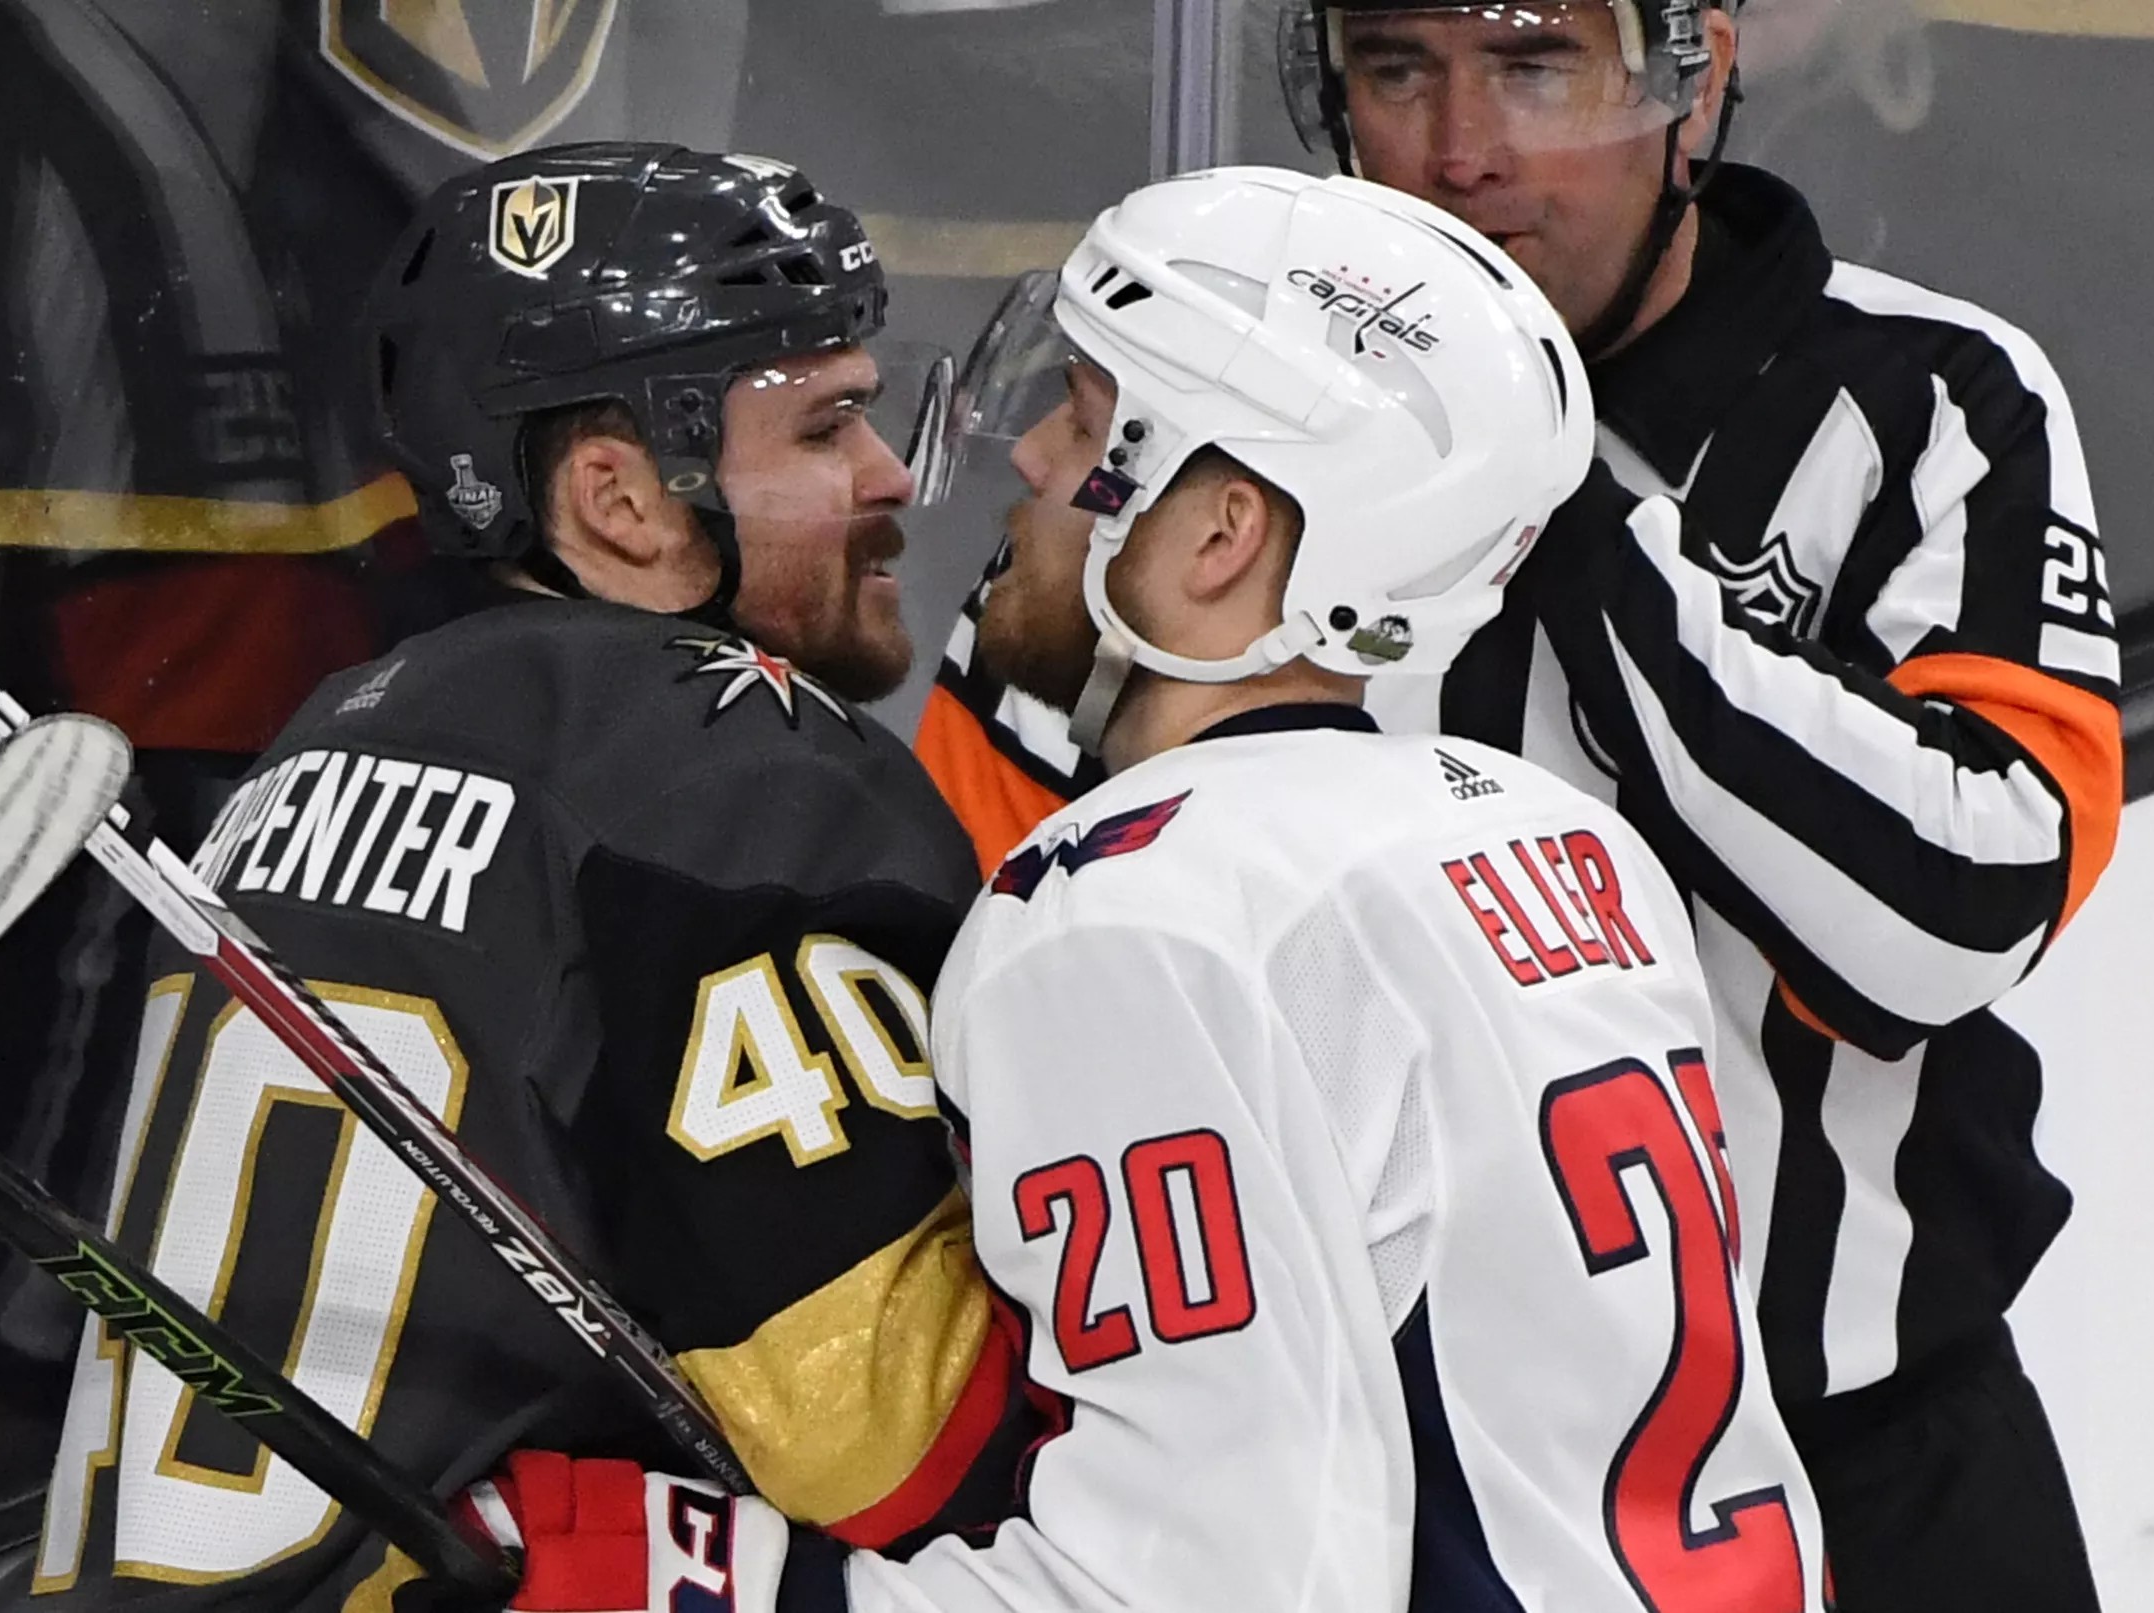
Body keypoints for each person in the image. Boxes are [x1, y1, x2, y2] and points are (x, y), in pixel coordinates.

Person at [435, 168, 1830, 1613]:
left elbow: (1215, 1586)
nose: (1031, 458)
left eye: (1095, 421)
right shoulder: (1565, 843)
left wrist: (720, 1583)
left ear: (1223, 534)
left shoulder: (1134, 917)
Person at [916, 6, 2123, 1610]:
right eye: (1397, 68)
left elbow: (1961, 915)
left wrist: (1533, 493)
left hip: (1887, 1456)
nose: (1459, 144)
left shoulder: (1933, 396)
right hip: (1402, 1499)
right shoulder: (1197, 446)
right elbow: (973, 921)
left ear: (1691, 88)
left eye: (1535, 61)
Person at [13, 142, 1047, 1613]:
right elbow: (912, 1466)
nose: (890, 477)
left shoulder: (325, 739)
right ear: (624, 499)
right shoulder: (737, 787)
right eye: (826, 430)